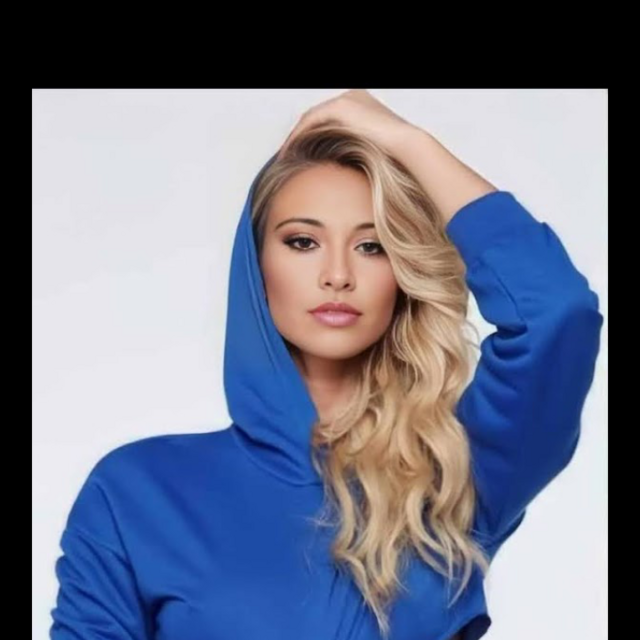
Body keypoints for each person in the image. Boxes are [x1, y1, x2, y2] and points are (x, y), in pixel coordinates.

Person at [49, 90, 604, 640]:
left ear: (402, 272)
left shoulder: (455, 472)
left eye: (372, 246)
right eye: (302, 242)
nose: (337, 275)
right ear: (255, 264)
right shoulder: (139, 493)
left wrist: (409, 143)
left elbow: (555, 313)